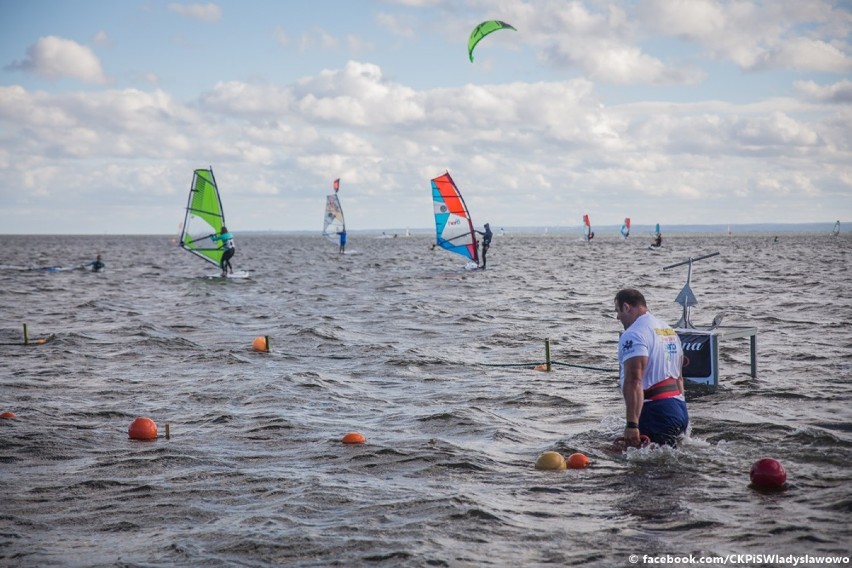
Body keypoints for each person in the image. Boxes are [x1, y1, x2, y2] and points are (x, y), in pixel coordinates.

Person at [614, 288, 688, 446]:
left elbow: (634, 380)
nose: (617, 317)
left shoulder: (634, 334)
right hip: (678, 408)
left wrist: (632, 425)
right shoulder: (668, 330)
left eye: (617, 310)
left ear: (626, 307)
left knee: (646, 470)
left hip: (656, 411)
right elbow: (679, 378)